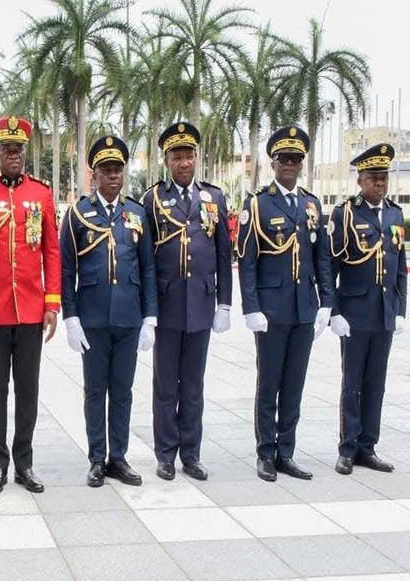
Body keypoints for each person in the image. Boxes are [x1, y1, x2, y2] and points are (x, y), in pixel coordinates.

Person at [0, 116, 60, 494]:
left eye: (19, 149)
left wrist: (52, 302)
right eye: (7, 149)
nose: (14, 155)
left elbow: (51, 252)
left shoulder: (42, 194)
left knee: (29, 391)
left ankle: (25, 463)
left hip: (32, 311)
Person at [236, 125, 333, 482]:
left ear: (301, 164)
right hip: (272, 310)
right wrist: (251, 307)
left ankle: (286, 452)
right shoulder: (258, 204)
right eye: (284, 159)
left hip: (304, 307)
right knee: (270, 383)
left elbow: (322, 258)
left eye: (296, 159)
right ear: (273, 164)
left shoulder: (312, 204)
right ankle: (265, 453)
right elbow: (247, 261)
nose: (290, 164)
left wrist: (327, 303)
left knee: (294, 384)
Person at [61, 135, 157, 488]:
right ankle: (96, 458)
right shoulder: (77, 214)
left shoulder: (136, 213)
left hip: (129, 318)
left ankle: (119, 456)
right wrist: (70, 317)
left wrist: (150, 317)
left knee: (123, 390)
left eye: (118, 169)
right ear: (94, 175)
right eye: (106, 170)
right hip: (92, 318)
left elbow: (147, 267)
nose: (113, 176)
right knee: (94, 390)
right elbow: (66, 269)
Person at [142, 122, 232, 481]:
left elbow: (224, 253)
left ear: (197, 158)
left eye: (189, 155)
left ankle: (191, 454)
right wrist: (147, 311)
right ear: (166, 160)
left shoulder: (214, 198)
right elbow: (146, 258)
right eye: (177, 156)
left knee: (193, 385)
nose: (184, 162)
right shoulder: (152, 200)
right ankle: (165, 453)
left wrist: (225, 303)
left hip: (201, 303)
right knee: (166, 385)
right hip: (167, 305)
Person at [329, 143, 405, 475]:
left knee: (377, 382)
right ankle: (348, 447)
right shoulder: (345, 213)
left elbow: (400, 266)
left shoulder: (395, 214)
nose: (380, 184)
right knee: (353, 382)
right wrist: (333, 312)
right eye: (373, 178)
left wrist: (400, 308)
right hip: (355, 312)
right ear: (360, 180)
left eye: (383, 178)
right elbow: (330, 266)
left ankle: (368, 447)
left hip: (384, 313)